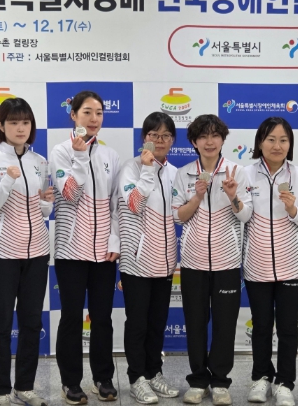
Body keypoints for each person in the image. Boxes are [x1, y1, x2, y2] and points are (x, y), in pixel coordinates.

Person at [0, 98, 54, 406]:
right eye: (13, 122)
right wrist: (7, 179)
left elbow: (42, 210)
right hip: (1, 255)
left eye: (25, 122)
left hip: (37, 253)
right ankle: (0, 391)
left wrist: (46, 201)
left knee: (32, 323)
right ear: (1, 125)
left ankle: (25, 386)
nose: (20, 128)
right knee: (0, 324)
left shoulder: (39, 161)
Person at [171, 114, 253, 406]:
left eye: (215, 135)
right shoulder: (183, 173)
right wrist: (196, 197)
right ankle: (197, 380)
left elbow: (245, 215)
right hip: (193, 262)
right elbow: (177, 217)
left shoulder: (237, 172)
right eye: (203, 136)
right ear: (194, 142)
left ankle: (219, 381)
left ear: (222, 139)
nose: (209, 141)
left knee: (224, 324)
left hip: (227, 262)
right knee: (194, 323)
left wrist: (232, 196)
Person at [49, 90, 121, 405]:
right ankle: (70, 382)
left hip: (104, 252)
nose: (94, 119)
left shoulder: (110, 156)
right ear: (73, 115)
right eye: (87, 112)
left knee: (102, 317)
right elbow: (70, 194)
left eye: (99, 113)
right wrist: (79, 157)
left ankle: (103, 378)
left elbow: (117, 204)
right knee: (71, 317)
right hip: (71, 251)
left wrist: (114, 240)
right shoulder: (60, 152)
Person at [242, 117, 298, 406]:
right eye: (271, 139)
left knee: (287, 327)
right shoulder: (246, 174)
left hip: (291, 264)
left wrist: (294, 209)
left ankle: (285, 382)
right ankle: (261, 378)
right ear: (260, 142)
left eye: (283, 140)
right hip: (256, 264)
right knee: (261, 326)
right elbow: (241, 217)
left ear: (290, 144)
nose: (277, 145)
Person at [118, 112, 180, 404]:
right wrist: (146, 168)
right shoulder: (130, 168)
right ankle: (136, 379)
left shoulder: (174, 172)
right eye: (154, 135)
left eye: (166, 135)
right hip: (137, 261)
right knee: (138, 323)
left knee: (157, 322)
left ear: (173, 140)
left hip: (165, 261)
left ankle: (154, 372)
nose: (160, 140)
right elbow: (134, 204)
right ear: (144, 138)